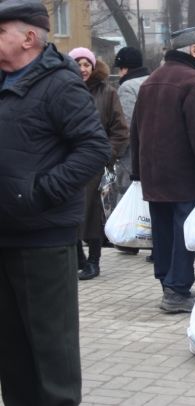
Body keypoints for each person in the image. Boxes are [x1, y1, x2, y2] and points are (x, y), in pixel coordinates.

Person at [0, 1, 111, 404]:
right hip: (5, 234)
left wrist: (39, 193)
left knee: (51, 351)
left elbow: (94, 148)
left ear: (29, 38)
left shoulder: (59, 84)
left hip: (43, 238)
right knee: (12, 352)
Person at [130, 27, 195, 313]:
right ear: (194, 50)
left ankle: (168, 285)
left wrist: (137, 172)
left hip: (154, 175)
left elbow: (135, 131)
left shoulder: (151, 81)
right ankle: (177, 290)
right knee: (185, 233)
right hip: (185, 176)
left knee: (163, 233)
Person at [68, 46, 129, 280]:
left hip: (96, 163)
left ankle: (93, 261)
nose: (82, 69)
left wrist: (107, 155)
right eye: (77, 64)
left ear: (93, 67)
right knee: (69, 212)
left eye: (86, 64)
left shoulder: (107, 93)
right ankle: (78, 259)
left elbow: (120, 130)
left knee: (93, 213)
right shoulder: (63, 90)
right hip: (68, 162)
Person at [113, 46, 152, 258]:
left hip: (134, 154)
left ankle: (129, 240)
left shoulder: (127, 87)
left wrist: (116, 152)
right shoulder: (152, 80)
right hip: (155, 151)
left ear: (125, 69)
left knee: (129, 193)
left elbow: (126, 125)